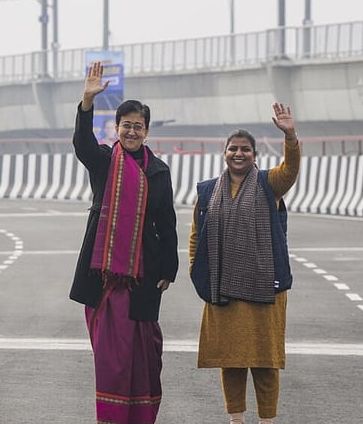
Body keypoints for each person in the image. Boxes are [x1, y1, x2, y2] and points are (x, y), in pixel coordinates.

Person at [70, 61, 179, 424]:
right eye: (126, 125)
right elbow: (82, 144)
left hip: (143, 278)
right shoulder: (103, 160)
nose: (132, 131)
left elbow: (167, 223)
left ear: (146, 132)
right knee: (111, 361)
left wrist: (169, 268)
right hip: (104, 281)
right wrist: (87, 101)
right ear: (116, 129)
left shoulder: (158, 171)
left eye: (138, 126)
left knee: (146, 358)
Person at [188, 103, 300, 424]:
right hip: (222, 287)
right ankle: (236, 419)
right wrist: (197, 270)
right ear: (224, 153)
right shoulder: (208, 191)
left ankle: (267, 421)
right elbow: (197, 235)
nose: (239, 154)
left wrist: (289, 135)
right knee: (231, 360)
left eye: (246, 149)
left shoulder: (270, 184)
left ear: (255, 155)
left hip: (265, 288)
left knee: (265, 362)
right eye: (233, 149)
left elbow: (290, 169)